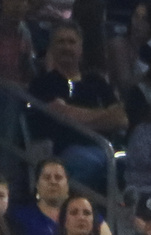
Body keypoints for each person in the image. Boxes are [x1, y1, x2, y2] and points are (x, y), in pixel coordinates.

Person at [27, 20, 130, 193]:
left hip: (106, 148)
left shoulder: (97, 82)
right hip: (66, 152)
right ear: (51, 47)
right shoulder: (42, 83)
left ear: (80, 48)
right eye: (61, 42)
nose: (67, 47)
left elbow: (121, 119)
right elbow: (60, 114)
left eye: (71, 42)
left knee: (135, 166)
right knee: (88, 163)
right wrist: (104, 115)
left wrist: (74, 115)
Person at [9, 160, 73, 235]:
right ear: (37, 185)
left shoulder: (82, 213)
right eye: (47, 178)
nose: (53, 182)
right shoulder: (20, 217)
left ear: (67, 185)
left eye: (58, 177)